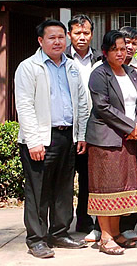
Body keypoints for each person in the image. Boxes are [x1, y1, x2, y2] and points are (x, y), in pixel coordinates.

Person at [15, 19, 89, 258]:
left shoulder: (72, 67)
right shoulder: (29, 67)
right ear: (40, 41)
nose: (57, 42)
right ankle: (36, 238)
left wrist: (81, 134)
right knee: (38, 191)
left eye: (60, 37)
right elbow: (24, 106)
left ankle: (59, 232)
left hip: (67, 136)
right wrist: (34, 140)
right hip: (41, 139)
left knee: (63, 188)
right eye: (51, 37)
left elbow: (81, 103)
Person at [86, 30, 137, 255]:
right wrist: (130, 127)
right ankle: (106, 237)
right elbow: (102, 107)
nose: (120, 53)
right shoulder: (99, 74)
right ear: (105, 52)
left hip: (128, 139)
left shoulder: (131, 72)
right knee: (106, 187)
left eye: (123, 48)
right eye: (115, 49)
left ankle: (117, 231)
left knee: (121, 186)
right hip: (105, 140)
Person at [63, 14, 102, 241]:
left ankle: (86, 220)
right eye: (77, 33)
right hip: (68, 129)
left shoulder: (99, 58)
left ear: (91, 34)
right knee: (65, 180)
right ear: (70, 35)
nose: (81, 37)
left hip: (93, 129)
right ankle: (61, 224)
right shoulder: (62, 58)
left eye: (86, 32)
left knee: (89, 179)